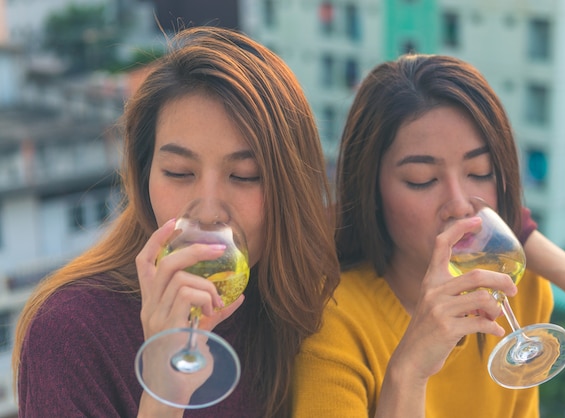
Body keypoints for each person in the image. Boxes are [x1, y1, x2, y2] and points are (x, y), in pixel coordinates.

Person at [12, 26, 339, 418]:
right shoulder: (71, 332)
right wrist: (164, 395)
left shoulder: (311, 312)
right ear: (144, 173)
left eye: (246, 175)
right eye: (180, 172)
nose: (208, 210)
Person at [292, 53, 565, 417]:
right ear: (372, 191)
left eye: (480, 171)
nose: (460, 204)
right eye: (423, 180)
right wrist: (408, 372)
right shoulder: (333, 325)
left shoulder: (523, 289)